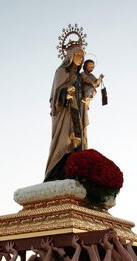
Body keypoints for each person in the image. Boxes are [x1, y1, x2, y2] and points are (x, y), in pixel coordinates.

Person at [45, 44, 87, 181]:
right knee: (64, 141)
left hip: (78, 113)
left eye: (82, 56)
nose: (80, 58)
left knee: (78, 141)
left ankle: (75, 170)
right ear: (70, 55)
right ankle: (58, 170)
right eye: (77, 55)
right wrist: (65, 93)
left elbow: (85, 93)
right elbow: (55, 96)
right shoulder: (61, 72)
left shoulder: (80, 77)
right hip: (65, 112)